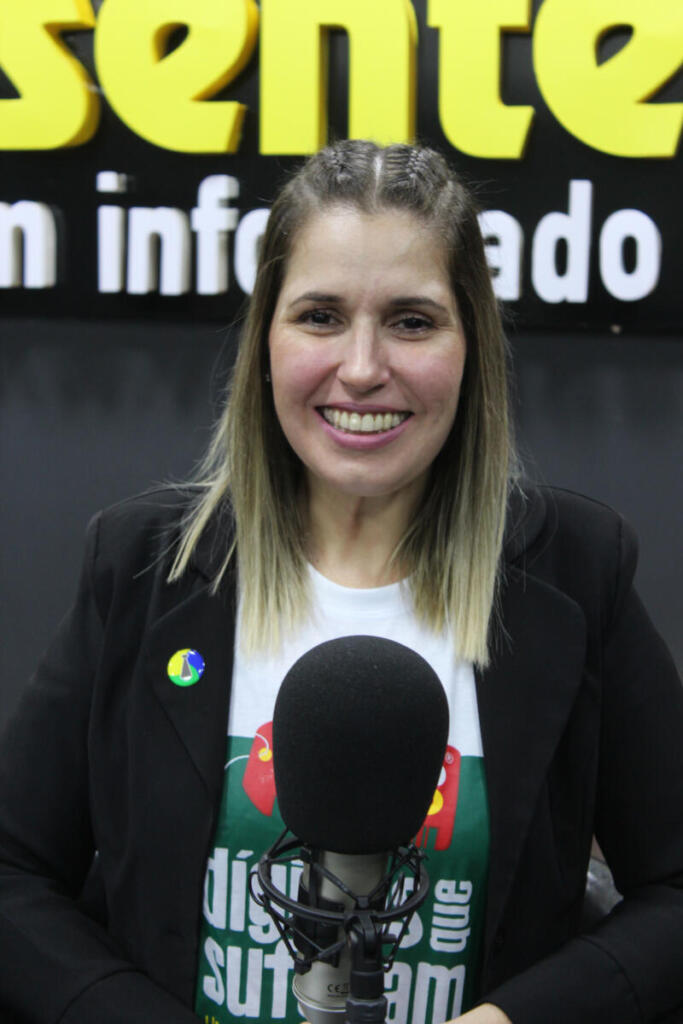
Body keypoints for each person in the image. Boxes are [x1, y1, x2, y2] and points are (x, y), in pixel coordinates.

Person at [1, 140, 682, 1024]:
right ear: (266, 340)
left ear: (471, 346)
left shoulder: (575, 573)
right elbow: (14, 876)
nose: (361, 368)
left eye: (411, 321)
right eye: (320, 316)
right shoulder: (142, 566)